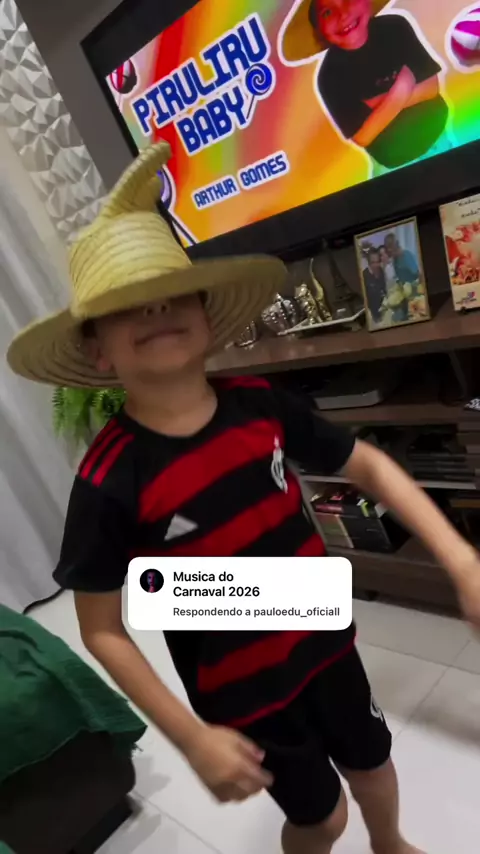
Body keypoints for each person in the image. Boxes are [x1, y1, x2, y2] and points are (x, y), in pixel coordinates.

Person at [8, 142, 480, 854]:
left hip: (323, 636)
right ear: (96, 349)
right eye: (128, 305)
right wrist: (190, 735)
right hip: (241, 691)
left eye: (173, 293)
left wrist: (461, 560)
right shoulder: (108, 480)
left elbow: (371, 468)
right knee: (321, 818)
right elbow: (102, 628)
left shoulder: (262, 404)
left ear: (207, 315)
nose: (157, 308)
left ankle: (391, 844)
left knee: (375, 765)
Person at [281, 0, 449, 175]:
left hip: (439, 141)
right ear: (319, 30)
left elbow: (431, 87)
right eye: (327, 13)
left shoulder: (395, 27)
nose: (343, 15)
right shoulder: (329, 75)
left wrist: (376, 104)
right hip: (393, 168)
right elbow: (363, 136)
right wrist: (402, 88)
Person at [362, 247, 387, 324]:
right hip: (373, 317)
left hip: (385, 312)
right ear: (368, 262)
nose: (376, 265)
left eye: (378, 262)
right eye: (373, 262)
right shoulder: (364, 276)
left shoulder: (382, 271)